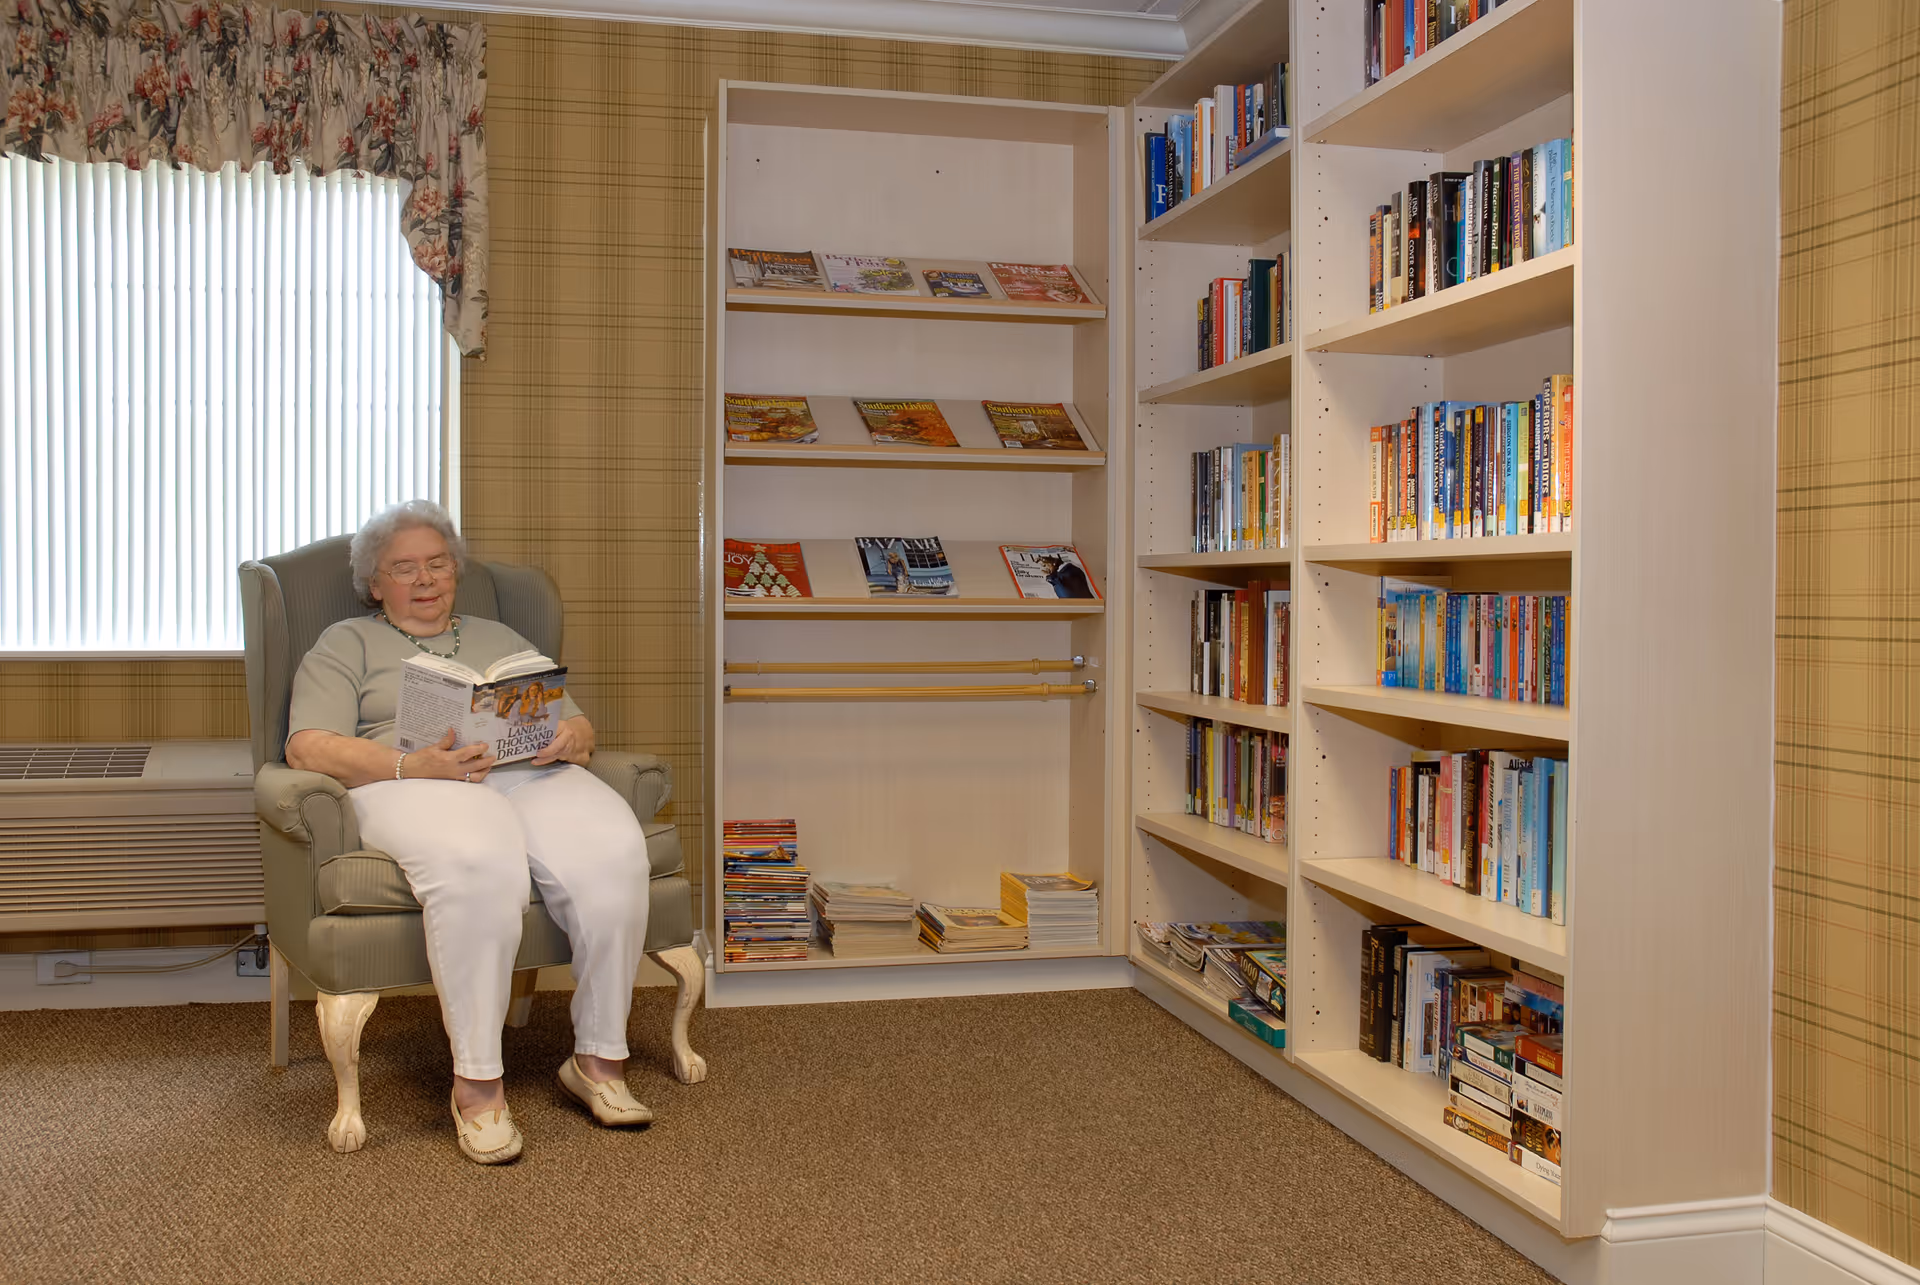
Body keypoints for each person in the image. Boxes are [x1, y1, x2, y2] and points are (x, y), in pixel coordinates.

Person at [284, 500, 653, 1165]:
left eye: (437, 563)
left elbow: (579, 725)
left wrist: (571, 734)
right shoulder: (345, 643)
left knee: (615, 848)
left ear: (455, 569)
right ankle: (478, 1088)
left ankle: (598, 1061)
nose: (425, 580)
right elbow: (307, 746)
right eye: (404, 568)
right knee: (481, 858)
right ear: (376, 582)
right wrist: (409, 762)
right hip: (408, 778)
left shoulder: (500, 637)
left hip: (519, 770)